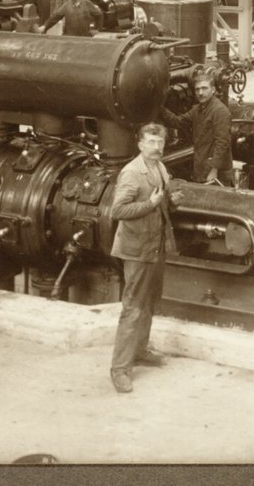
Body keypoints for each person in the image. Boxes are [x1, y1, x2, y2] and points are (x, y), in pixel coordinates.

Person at [108, 123, 174, 394]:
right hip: (136, 251)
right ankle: (119, 370)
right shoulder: (133, 173)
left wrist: (172, 198)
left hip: (154, 246)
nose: (157, 147)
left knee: (148, 303)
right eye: (151, 142)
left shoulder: (159, 167)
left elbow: (162, 198)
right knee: (132, 308)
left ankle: (140, 351)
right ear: (140, 144)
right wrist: (151, 204)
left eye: (160, 142)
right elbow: (118, 210)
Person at [169, 73, 232, 186]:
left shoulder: (219, 111)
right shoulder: (198, 109)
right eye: (197, 89)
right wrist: (159, 108)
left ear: (213, 90)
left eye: (204, 88)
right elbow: (178, 122)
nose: (200, 93)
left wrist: (214, 170)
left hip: (216, 172)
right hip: (202, 166)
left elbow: (222, 143)